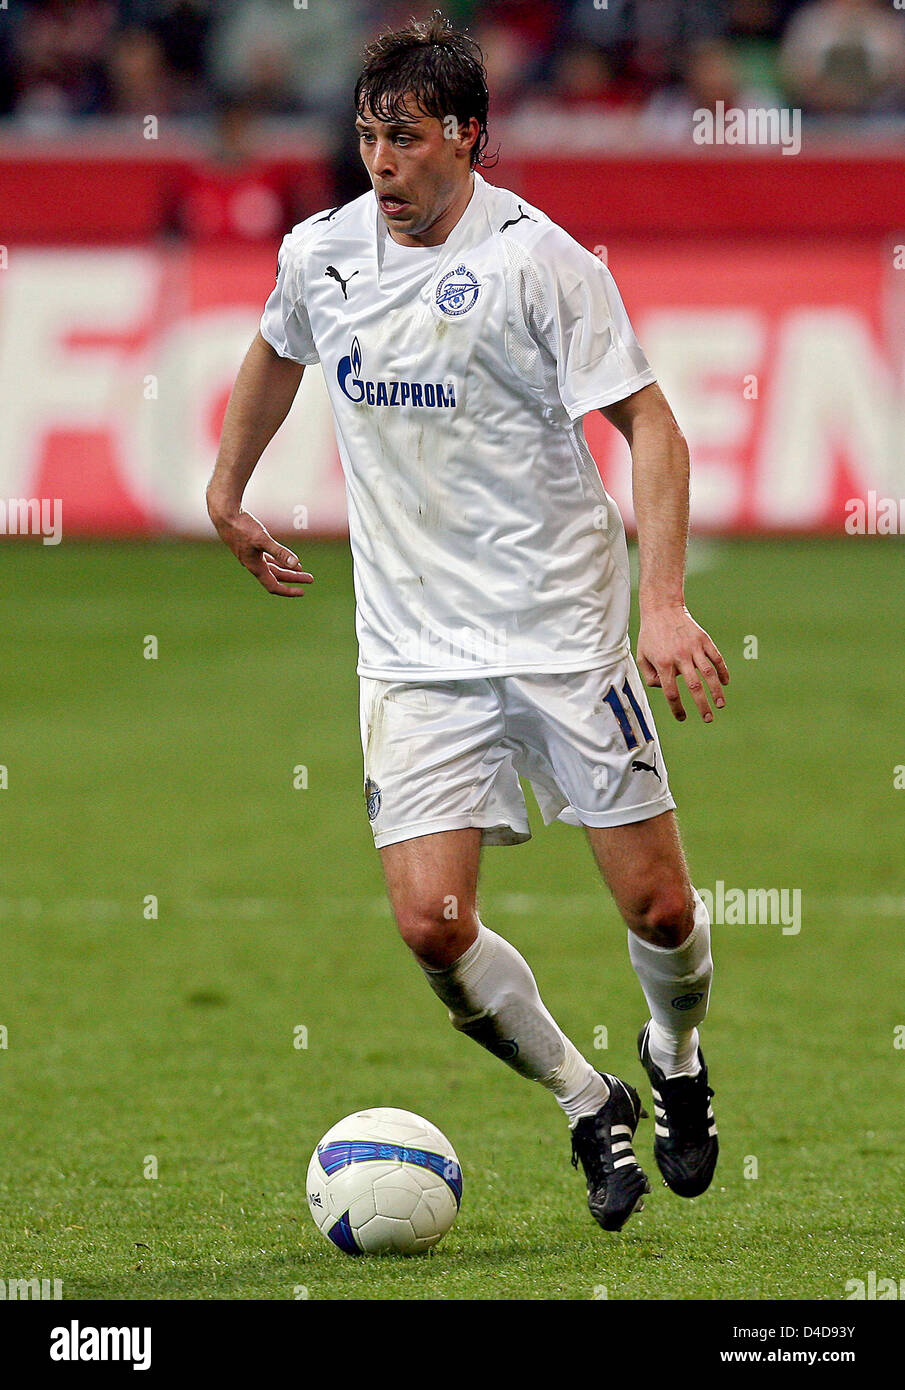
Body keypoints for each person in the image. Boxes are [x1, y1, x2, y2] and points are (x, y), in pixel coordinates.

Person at [207, 13, 727, 1234]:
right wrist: (226, 493)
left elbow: (650, 423)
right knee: (430, 927)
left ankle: (674, 1054)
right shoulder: (321, 252)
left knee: (656, 909)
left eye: (405, 139)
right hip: (413, 654)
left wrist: (660, 600)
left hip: (562, 633)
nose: (381, 165)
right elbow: (277, 350)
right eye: (366, 138)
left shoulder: (542, 262)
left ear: (467, 138)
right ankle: (585, 1096)